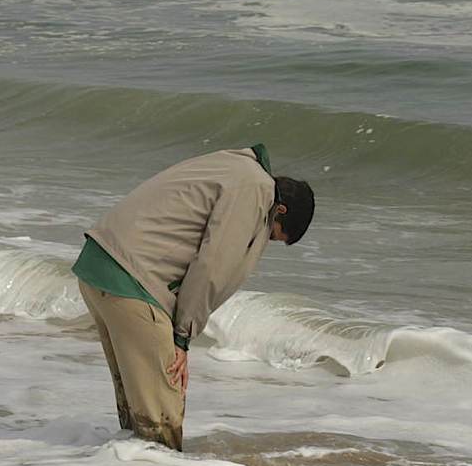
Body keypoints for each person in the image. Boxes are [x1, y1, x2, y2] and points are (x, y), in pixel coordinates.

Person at [72, 142, 315, 450]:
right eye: (273, 234)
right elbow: (213, 266)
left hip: (100, 268)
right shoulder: (256, 190)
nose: (266, 238)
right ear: (280, 209)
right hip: (133, 281)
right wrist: (181, 336)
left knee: (136, 413)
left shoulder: (233, 166)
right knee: (162, 418)